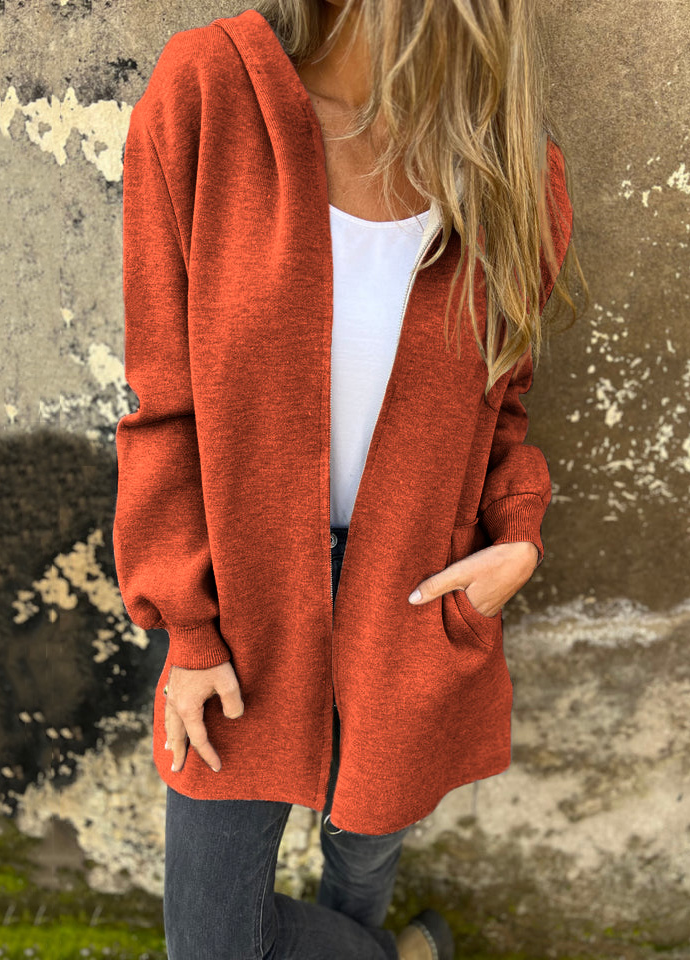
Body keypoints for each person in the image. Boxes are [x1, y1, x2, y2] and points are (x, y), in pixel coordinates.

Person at [113, 1, 585, 957]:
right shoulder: (208, 93)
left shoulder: (507, 166)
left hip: (417, 599)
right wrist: (188, 627)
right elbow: (164, 400)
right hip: (242, 602)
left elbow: (503, 403)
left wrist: (517, 539)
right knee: (211, 942)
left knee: (363, 860)